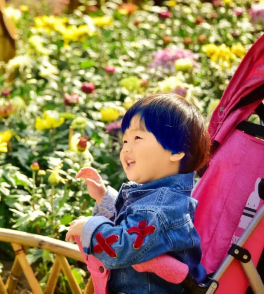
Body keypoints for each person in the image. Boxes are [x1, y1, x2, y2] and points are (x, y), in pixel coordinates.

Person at [66, 93, 209, 293]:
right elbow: (133, 222)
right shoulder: (157, 199)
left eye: (137, 138)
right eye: (125, 141)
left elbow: (124, 247)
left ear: (176, 151)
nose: (126, 148)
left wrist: (91, 229)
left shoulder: (162, 209)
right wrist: (104, 198)